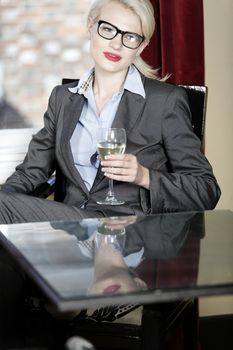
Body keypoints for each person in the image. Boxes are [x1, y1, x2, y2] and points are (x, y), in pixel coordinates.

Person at [0, 0, 221, 225]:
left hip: (129, 234)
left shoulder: (163, 101)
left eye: (130, 36)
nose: (117, 44)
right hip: (70, 236)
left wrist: (144, 176)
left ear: (142, 46)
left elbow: (206, 190)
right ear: (90, 27)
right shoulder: (63, 98)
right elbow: (30, 174)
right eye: (108, 29)